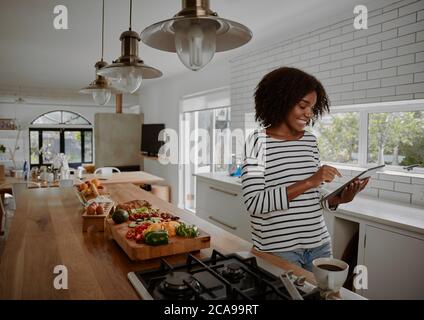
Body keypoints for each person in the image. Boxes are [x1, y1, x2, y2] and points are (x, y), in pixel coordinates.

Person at [241, 67, 369, 271]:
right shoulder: (258, 142)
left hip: (319, 244)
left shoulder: (309, 140)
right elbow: (255, 203)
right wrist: (310, 180)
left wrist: (338, 199)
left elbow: (311, 196)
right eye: (303, 105)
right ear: (280, 100)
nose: (309, 114)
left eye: (313, 107)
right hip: (279, 248)